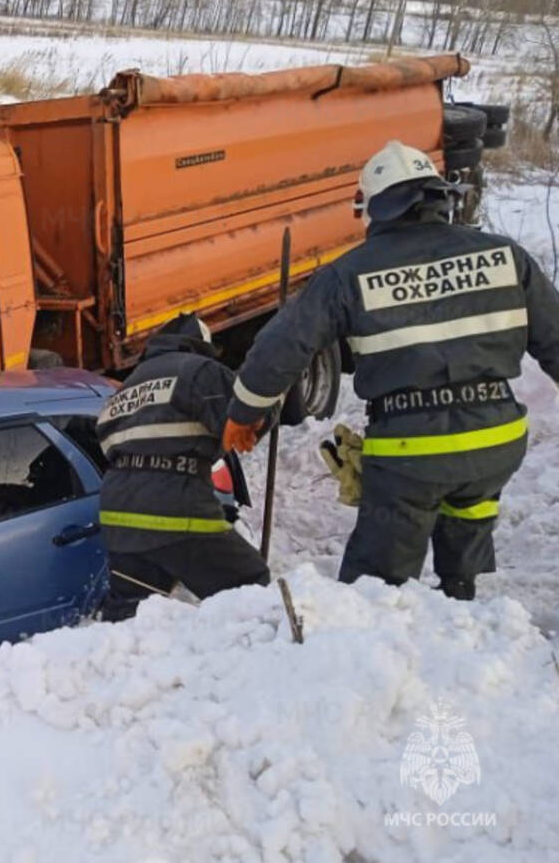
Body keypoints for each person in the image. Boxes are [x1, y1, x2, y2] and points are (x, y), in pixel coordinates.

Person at [222, 140, 559, 600]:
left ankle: (375, 638)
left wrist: (245, 411)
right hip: (496, 442)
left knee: (374, 586)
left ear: (375, 208)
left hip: (411, 449)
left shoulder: (350, 274)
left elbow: (281, 347)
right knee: (467, 521)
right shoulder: (506, 256)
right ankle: (462, 602)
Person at [95, 313, 271, 620]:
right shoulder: (200, 371)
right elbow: (243, 422)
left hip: (118, 514)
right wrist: (271, 398)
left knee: (131, 614)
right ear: (200, 345)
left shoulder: (126, 389)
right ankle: (242, 660)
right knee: (249, 586)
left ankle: (121, 666)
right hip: (174, 504)